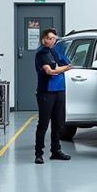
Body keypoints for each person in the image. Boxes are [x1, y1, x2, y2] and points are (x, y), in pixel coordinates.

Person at [34, 28, 72, 165]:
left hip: (59, 90)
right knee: (43, 124)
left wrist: (61, 68)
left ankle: (56, 151)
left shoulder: (55, 51)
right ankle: (39, 153)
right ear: (44, 39)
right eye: (50, 38)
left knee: (58, 123)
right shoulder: (41, 53)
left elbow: (67, 63)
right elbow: (50, 71)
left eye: (54, 38)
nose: (53, 40)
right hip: (46, 92)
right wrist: (62, 69)